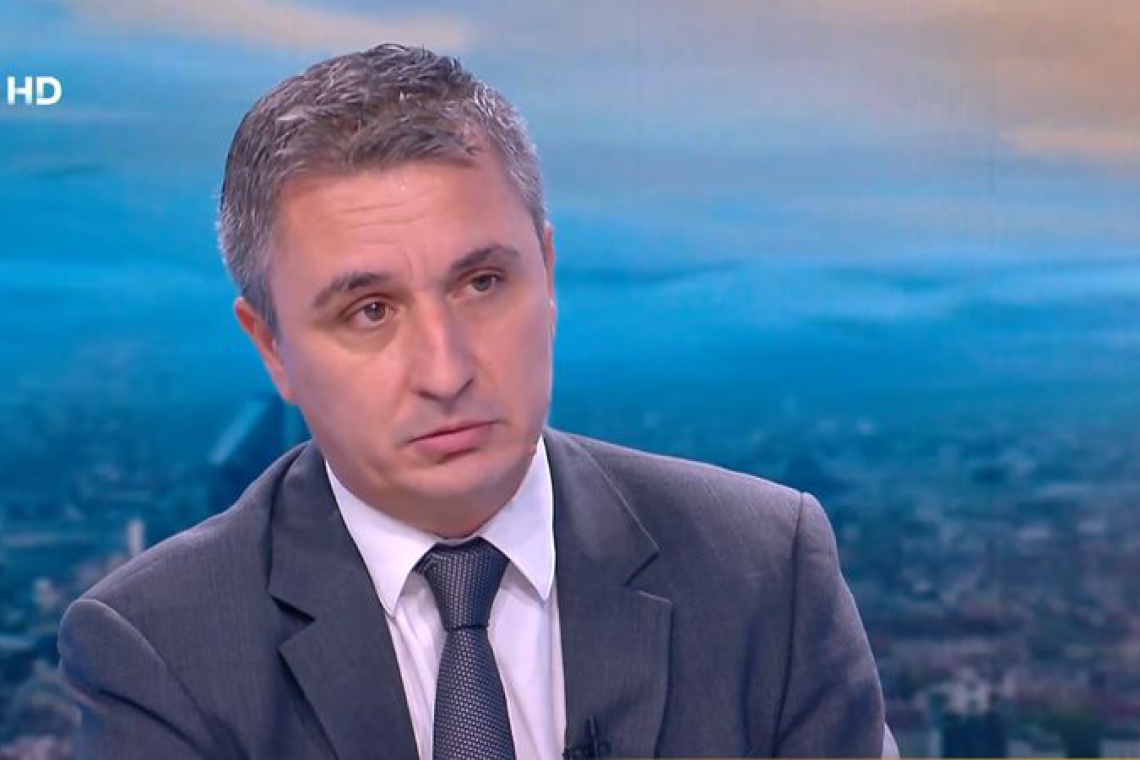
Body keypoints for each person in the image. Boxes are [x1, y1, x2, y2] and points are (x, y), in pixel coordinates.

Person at [57, 44, 896, 759]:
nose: (446, 368)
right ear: (271, 346)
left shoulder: (761, 569)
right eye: (370, 311)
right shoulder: (159, 650)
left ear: (549, 276)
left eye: (483, 283)